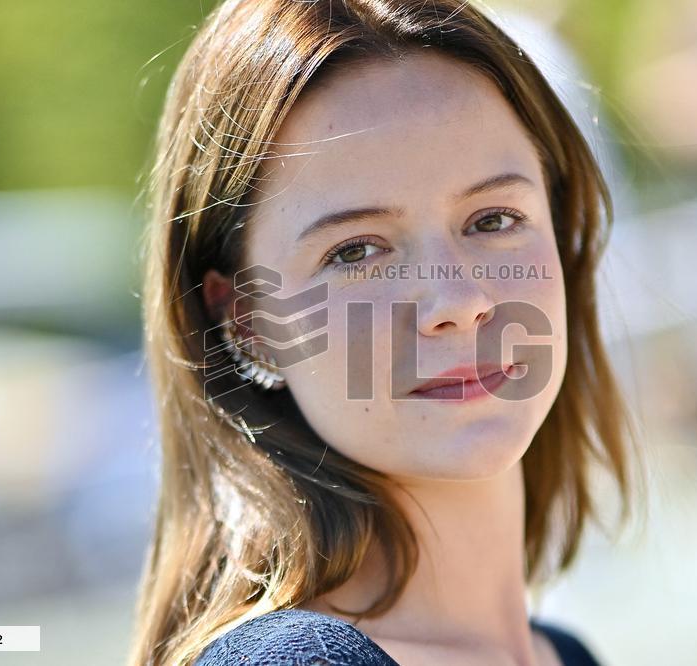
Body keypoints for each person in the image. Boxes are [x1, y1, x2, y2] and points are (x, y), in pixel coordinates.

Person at [127, 0, 637, 664]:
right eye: (355, 252)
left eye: (492, 220)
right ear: (248, 321)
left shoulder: (563, 654)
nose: (458, 301)